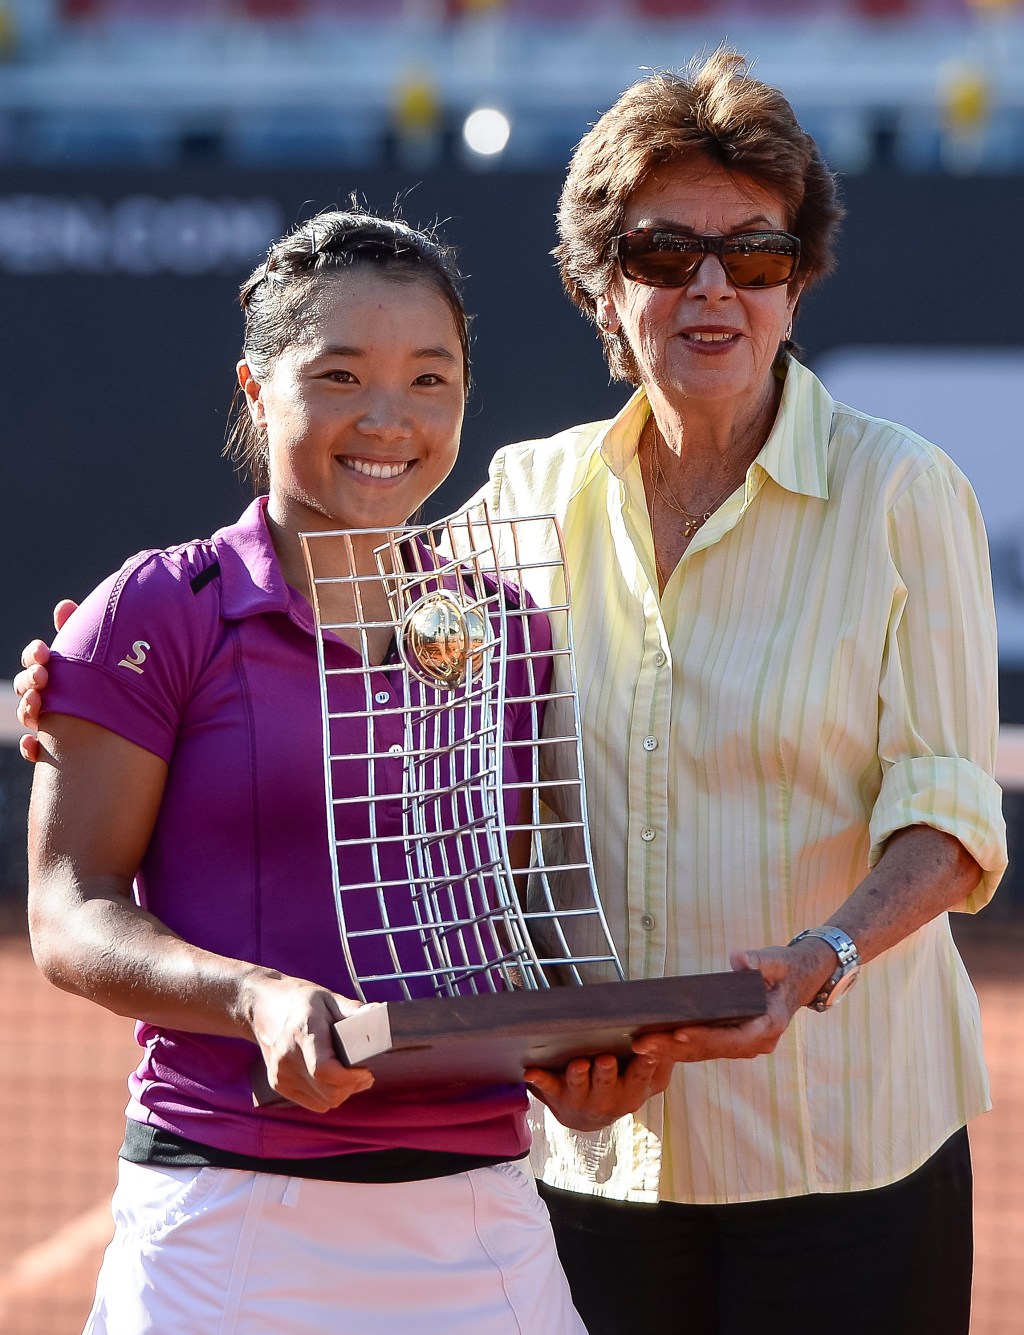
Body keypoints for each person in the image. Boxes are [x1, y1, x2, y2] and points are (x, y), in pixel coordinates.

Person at [15, 50, 1010, 1335]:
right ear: (605, 289)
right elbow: (364, 601)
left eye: (753, 255)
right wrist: (89, 669)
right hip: (580, 1161)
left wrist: (820, 960)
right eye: (661, 254)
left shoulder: (904, 489)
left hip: (840, 1142)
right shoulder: (515, 509)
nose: (711, 288)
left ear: (796, 281)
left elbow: (946, 804)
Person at [18, 208, 675, 1335]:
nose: (389, 419)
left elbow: (505, 918)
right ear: (256, 389)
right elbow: (69, 910)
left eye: (431, 379)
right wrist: (253, 996)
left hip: (480, 1221)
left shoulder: (506, 630)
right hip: (223, 1221)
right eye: (340, 375)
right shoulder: (157, 611)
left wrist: (582, 1051)